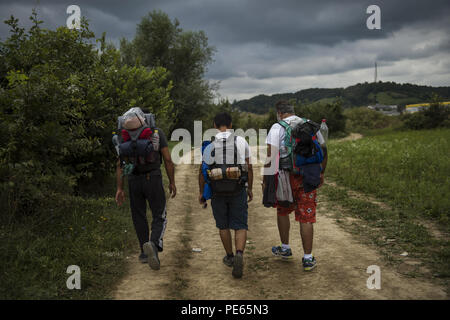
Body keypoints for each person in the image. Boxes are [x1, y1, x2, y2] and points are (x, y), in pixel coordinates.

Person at [263, 101, 328, 271]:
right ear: (293, 112)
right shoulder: (309, 124)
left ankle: (285, 249)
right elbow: (323, 149)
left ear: (279, 113)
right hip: (307, 176)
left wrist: (267, 181)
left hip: (285, 177)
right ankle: (307, 258)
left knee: (283, 210)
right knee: (306, 216)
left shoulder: (276, 128)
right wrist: (321, 173)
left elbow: (271, 156)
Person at [115, 108, 176, 271]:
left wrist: (120, 188)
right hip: (153, 178)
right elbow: (168, 160)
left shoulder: (123, 136)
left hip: (133, 179)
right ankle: (154, 244)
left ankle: (143, 252)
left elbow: (120, 165)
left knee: (138, 215)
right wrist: (172, 182)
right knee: (159, 214)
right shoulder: (156, 133)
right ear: (145, 119)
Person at [199, 112, 253, 278]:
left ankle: (229, 256)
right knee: (240, 224)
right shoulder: (241, 141)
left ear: (214, 125)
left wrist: (201, 192)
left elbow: (202, 172)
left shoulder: (210, 145)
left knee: (223, 225)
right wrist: (249, 188)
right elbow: (249, 167)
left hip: (217, 191)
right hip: (237, 188)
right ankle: (239, 254)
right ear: (231, 124)